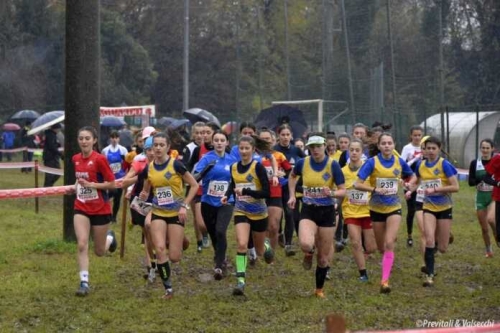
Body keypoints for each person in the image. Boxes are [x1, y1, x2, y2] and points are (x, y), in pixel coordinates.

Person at [139, 132, 198, 299]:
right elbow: (146, 184)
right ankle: (168, 289)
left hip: (175, 213)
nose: (157, 148)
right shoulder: (149, 167)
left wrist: (184, 206)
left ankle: (182, 240)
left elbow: (193, 185)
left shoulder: (176, 166)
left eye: (161, 145)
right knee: (159, 249)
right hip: (158, 212)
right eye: (154, 145)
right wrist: (144, 193)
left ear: (167, 147)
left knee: (175, 257)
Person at [354, 132, 415, 293]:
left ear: (394, 145)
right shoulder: (372, 163)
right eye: (384, 143)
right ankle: (387, 261)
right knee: (381, 247)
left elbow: (412, 177)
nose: (387, 146)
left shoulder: (399, 162)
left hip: (394, 207)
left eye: (390, 143)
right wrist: (374, 189)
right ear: (379, 146)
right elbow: (357, 184)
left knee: (389, 243)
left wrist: (409, 186)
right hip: (376, 209)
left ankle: (385, 281)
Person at [287, 133, 346, 298]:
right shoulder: (303, 163)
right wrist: (292, 195)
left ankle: (319, 290)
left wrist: (333, 192)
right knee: (306, 243)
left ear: (325, 146)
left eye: (318, 146)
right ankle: (308, 252)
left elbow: (343, 190)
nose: (315, 150)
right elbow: (292, 176)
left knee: (323, 259)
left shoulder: (333, 165)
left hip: (327, 212)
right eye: (312, 147)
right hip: (309, 209)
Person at [221, 135, 273, 296]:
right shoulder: (234, 167)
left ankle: (265, 245)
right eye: (241, 148)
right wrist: (227, 194)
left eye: (247, 148)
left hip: (258, 212)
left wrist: (246, 191)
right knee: (242, 244)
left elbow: (266, 192)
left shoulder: (258, 167)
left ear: (252, 149)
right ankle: (241, 281)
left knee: (259, 252)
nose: (244, 151)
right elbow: (233, 183)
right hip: (241, 210)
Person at [72, 126, 118, 296]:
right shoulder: (75, 158)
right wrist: (76, 186)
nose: (84, 141)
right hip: (81, 206)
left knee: (99, 251)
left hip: (100, 208)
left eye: (87, 138)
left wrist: (93, 185)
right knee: (82, 243)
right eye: (81, 138)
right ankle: (84, 282)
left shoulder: (100, 159)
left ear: (94, 141)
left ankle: (110, 240)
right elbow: (79, 178)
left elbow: (112, 184)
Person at [414, 136, 459, 287]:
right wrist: (409, 188)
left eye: (434, 148)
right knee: (428, 240)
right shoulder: (420, 165)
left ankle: (443, 236)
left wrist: (436, 189)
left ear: (439, 149)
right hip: (428, 207)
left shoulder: (444, 164)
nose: (431, 151)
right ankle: (429, 276)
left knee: (442, 248)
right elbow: (415, 182)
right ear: (424, 150)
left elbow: (455, 187)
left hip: (445, 207)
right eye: (428, 148)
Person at [194, 130, 237, 280]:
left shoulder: (232, 160)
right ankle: (220, 256)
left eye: (222, 140)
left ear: (227, 142)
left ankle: (219, 265)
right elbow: (195, 177)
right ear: (212, 143)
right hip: (208, 202)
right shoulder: (206, 159)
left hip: (226, 201)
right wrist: (206, 170)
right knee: (213, 233)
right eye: (216, 140)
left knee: (220, 230)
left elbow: (238, 179)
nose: (219, 142)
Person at [121, 136, 156, 282]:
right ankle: (150, 266)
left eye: (155, 149)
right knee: (147, 230)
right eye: (149, 150)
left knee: (154, 231)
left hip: (159, 201)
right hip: (141, 201)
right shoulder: (139, 162)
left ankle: (158, 260)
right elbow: (124, 182)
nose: (153, 152)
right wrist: (141, 177)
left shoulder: (168, 163)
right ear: (145, 150)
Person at [341, 139, 376, 282]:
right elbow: (338, 189)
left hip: (368, 211)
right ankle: (363, 273)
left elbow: (376, 187)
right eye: (351, 150)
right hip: (350, 211)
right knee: (355, 243)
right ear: (348, 152)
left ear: (362, 152)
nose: (354, 153)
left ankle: (366, 252)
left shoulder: (368, 169)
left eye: (357, 150)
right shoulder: (342, 171)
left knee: (371, 247)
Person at [259, 128, 292, 256]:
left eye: (267, 139)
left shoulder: (279, 156)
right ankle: (260, 248)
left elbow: (291, 172)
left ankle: (270, 253)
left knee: (273, 226)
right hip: (258, 194)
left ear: (273, 140)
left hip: (275, 193)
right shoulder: (255, 156)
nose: (265, 141)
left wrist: (282, 175)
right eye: (262, 139)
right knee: (262, 226)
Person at [274, 123, 306, 254]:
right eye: (283, 135)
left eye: (288, 135)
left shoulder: (296, 150)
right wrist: (276, 172)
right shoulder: (274, 150)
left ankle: (288, 244)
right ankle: (280, 233)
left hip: (290, 188)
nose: (285, 137)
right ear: (278, 136)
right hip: (276, 187)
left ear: (291, 136)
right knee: (278, 216)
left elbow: (307, 163)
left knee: (289, 214)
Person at [469, 139, 496, 257]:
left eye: (487, 148)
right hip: (480, 197)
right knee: (484, 228)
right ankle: (488, 250)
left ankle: (497, 236)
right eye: (483, 148)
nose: (485, 150)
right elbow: (470, 182)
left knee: (491, 219)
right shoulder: (475, 163)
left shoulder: (497, 161)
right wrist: (482, 178)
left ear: (492, 149)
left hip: (494, 196)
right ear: (480, 149)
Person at [182, 122, 206, 254]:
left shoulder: (211, 147)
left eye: (202, 133)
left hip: (208, 186)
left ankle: (209, 235)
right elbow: (185, 166)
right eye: (197, 133)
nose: (200, 136)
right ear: (192, 134)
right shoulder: (189, 148)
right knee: (197, 216)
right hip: (194, 185)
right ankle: (199, 241)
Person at [400, 125, 424, 247]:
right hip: (409, 182)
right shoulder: (407, 148)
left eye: (419, 135)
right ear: (411, 136)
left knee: (424, 209)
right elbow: (402, 165)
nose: (417, 137)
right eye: (414, 135)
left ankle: (425, 235)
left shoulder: (425, 147)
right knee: (411, 210)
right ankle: (409, 236)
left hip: (422, 182)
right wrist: (415, 159)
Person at [102, 131, 129, 222]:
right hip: (110, 178)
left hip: (120, 177)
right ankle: (107, 214)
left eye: (116, 137)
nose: (114, 139)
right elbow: (102, 164)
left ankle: (114, 217)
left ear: (119, 139)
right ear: (110, 138)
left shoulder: (123, 150)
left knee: (118, 198)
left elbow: (127, 163)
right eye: (112, 137)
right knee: (109, 195)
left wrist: (127, 175)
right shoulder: (105, 150)